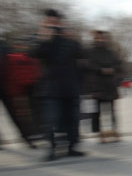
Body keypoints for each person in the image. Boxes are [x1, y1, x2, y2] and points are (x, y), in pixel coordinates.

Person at [31, 9, 86, 161]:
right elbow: (34, 53)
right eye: (50, 22)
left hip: (71, 87)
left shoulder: (70, 41)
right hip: (51, 88)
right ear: (45, 22)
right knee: (51, 119)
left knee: (72, 119)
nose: (54, 25)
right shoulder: (43, 40)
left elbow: (82, 54)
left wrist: (74, 38)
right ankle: (51, 148)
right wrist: (43, 37)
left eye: (56, 22)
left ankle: (72, 147)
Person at [86, 30, 123, 143]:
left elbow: (119, 65)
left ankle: (114, 131)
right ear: (95, 39)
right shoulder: (90, 52)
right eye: (98, 38)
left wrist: (113, 73)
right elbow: (89, 66)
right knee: (98, 112)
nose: (100, 40)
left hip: (110, 85)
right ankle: (100, 133)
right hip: (97, 86)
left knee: (112, 111)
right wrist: (101, 70)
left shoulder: (111, 52)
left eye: (102, 38)